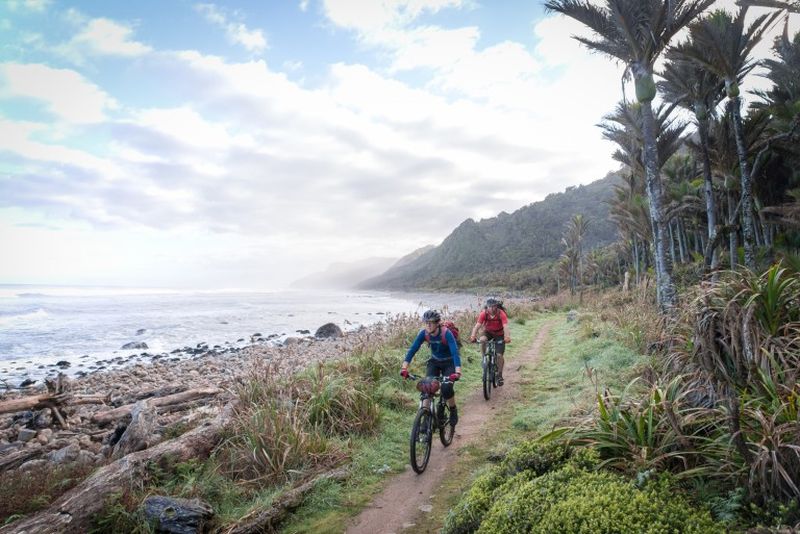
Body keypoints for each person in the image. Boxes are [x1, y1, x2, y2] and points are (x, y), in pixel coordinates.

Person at [400, 309, 462, 426]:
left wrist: (457, 372)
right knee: (427, 388)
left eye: (431, 322)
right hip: (434, 362)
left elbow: (455, 353)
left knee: (446, 388)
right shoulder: (424, 334)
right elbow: (412, 350)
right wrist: (404, 368)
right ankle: (425, 418)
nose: (428, 325)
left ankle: (453, 409)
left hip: (449, 363)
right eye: (426, 322)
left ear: (437, 323)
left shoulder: (446, 333)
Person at [469, 297, 510, 385]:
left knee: (499, 355)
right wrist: (473, 336)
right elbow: (477, 326)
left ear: (496, 306)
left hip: (499, 334)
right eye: (489, 307)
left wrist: (507, 337)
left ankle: (499, 375)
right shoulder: (484, 313)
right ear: (487, 307)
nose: (491, 308)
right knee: (482, 340)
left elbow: (505, 326)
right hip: (488, 332)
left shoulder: (501, 313)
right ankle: (484, 357)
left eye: (493, 306)